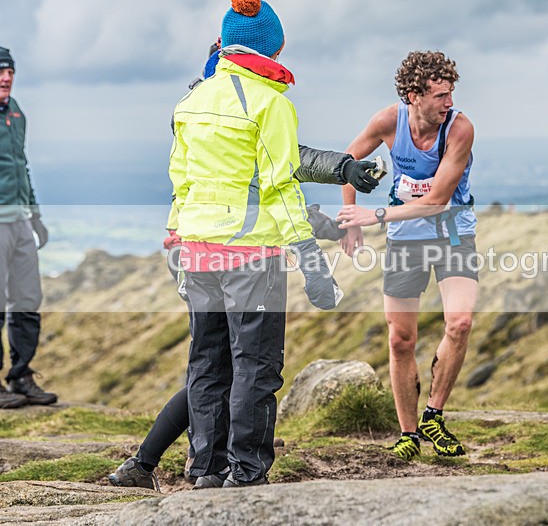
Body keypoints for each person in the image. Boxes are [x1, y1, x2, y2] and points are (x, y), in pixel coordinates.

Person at [109, 147, 377, 491]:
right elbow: (289, 183)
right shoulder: (258, 128)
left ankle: (179, 468)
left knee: (212, 369)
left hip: (196, 254)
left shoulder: (201, 118)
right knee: (246, 369)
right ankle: (239, 470)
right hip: (244, 263)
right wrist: (345, 177)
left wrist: (335, 225)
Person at [337, 50, 478, 460]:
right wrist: (349, 219)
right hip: (404, 239)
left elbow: (436, 201)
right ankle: (409, 434)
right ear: (413, 95)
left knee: (461, 322)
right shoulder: (388, 122)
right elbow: (347, 163)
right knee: (401, 339)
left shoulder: (460, 129)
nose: (449, 102)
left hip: (453, 232)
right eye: (439, 96)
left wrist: (373, 214)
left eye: (451, 94)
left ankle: (434, 413)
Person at [0, 46, 58, 409]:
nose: (6, 78)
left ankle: (21, 375)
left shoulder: (16, 112)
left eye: (10, 73)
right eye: (0, 72)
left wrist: (34, 215)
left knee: (26, 300)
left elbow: (21, 166)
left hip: (19, 221)